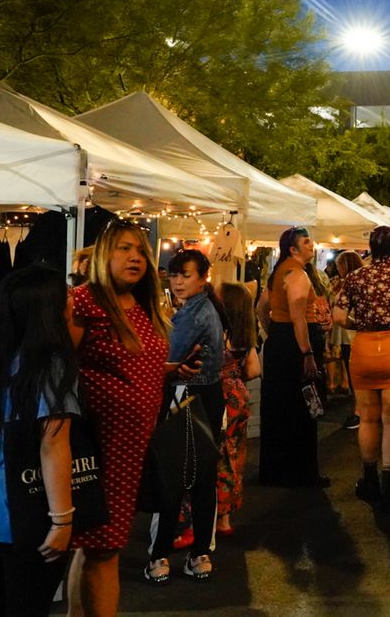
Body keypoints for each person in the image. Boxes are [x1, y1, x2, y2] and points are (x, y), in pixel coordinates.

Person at [67, 220, 180, 617]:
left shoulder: (143, 305)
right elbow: (60, 373)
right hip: (102, 447)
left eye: (140, 251)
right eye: (123, 248)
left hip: (135, 447)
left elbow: (127, 363)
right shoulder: (82, 302)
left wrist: (164, 370)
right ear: (102, 255)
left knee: (95, 546)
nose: (135, 257)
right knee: (104, 547)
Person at [0, 265, 79, 616]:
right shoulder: (51, 366)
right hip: (29, 512)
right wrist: (62, 520)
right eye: (66, 296)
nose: (73, 300)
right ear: (48, 311)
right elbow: (53, 445)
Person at [145, 249, 227, 584]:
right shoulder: (203, 307)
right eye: (174, 274)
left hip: (189, 398)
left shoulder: (194, 314)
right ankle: (198, 555)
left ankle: (160, 556)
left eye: (186, 275)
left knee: (173, 480)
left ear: (203, 277)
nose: (178, 281)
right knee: (203, 481)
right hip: (208, 397)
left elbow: (166, 358)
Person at [333, 225, 390, 511]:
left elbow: (337, 315)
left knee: (368, 418)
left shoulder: (356, 277)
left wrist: (358, 324)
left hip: (366, 348)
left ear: (370, 246)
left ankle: (368, 478)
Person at [256, 227, 330, 488]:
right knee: (302, 407)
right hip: (297, 345)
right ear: (293, 249)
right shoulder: (297, 274)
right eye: (306, 242)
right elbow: (299, 319)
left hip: (280, 343)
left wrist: (273, 331)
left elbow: (261, 308)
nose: (312, 246)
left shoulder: (278, 272)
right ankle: (302, 472)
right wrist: (307, 354)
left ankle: (276, 469)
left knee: (278, 407)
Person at [215, 282, 256, 539]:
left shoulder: (217, 334)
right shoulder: (244, 335)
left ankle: (210, 514)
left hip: (219, 397)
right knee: (234, 454)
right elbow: (255, 370)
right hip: (238, 395)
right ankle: (225, 517)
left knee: (217, 455)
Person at [330, 250, 365, 429]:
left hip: (350, 335)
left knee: (355, 376)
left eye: (339, 266)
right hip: (352, 335)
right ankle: (361, 411)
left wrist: (352, 324)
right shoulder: (362, 282)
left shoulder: (350, 284)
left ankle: (359, 412)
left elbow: (341, 314)